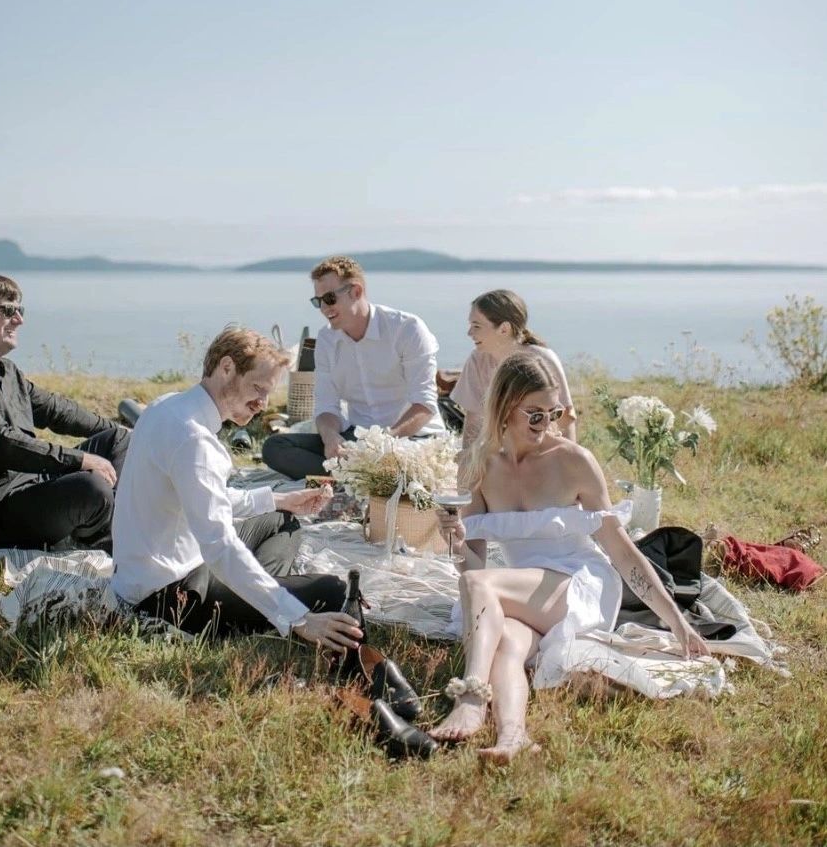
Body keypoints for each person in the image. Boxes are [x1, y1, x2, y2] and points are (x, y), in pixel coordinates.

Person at [431, 350, 710, 763]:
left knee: (480, 584)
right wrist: (455, 541)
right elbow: (470, 563)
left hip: (580, 580)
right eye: (536, 414)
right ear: (506, 408)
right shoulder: (477, 465)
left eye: (554, 412)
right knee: (506, 641)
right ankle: (513, 736)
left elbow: (622, 551)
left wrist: (678, 622)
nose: (548, 425)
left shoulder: (574, 461)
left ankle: (471, 697)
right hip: (523, 588)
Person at [112, 325, 362, 651]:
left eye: (268, 392)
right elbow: (219, 546)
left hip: (154, 570)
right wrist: (299, 619)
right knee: (333, 589)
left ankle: (257, 595)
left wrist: (281, 499)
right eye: (258, 388)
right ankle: (265, 602)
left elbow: (200, 495)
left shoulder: (166, 405)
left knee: (282, 520)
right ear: (226, 368)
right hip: (171, 596)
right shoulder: (195, 440)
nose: (263, 402)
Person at [0, 274, 131, 550]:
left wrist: (118, 429)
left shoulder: (6, 371)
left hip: (25, 485)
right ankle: (113, 543)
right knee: (93, 489)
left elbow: (57, 411)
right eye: (8, 311)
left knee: (117, 439)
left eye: (20, 310)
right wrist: (79, 459)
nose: (19, 319)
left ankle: (112, 522)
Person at [261, 256, 445, 480]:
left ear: (356, 292)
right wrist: (331, 439)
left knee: (406, 465)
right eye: (317, 301)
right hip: (357, 441)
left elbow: (424, 404)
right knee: (275, 448)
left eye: (329, 298)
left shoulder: (407, 329)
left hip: (411, 439)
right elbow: (326, 407)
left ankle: (351, 478)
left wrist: (385, 442)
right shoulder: (326, 340)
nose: (324, 308)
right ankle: (362, 478)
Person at [451, 290, 576, 463]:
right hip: (500, 461)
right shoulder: (477, 360)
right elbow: (474, 421)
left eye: (476, 326)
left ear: (504, 329)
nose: (469, 333)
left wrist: (567, 468)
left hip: (544, 458)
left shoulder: (542, 359)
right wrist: (468, 465)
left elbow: (565, 419)